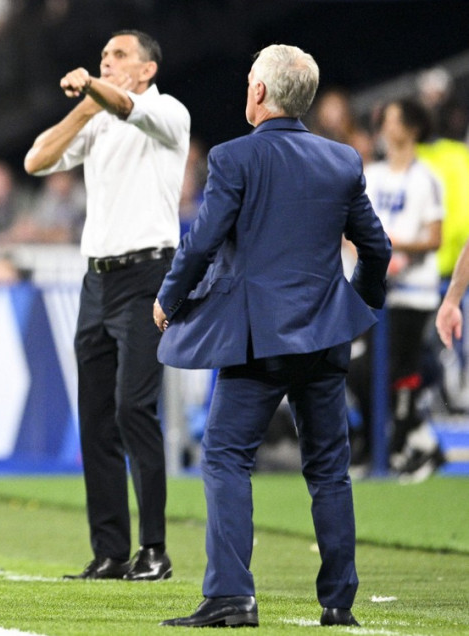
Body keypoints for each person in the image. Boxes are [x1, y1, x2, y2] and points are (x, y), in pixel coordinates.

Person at [154, 44, 390, 628]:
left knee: (227, 459)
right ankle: (339, 603)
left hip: (258, 339)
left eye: (250, 82)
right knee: (330, 470)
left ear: (260, 93)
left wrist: (167, 300)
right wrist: (355, 304)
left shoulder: (234, 158)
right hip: (325, 337)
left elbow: (202, 242)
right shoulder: (342, 160)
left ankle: (232, 593)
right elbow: (377, 248)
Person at [23, 29, 190, 581]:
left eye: (119, 56)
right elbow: (36, 160)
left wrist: (95, 87)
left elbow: (125, 105)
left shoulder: (168, 112)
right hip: (96, 280)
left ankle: (156, 549)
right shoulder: (98, 117)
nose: (107, 63)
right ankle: (111, 552)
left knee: (133, 409)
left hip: (147, 275)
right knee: (95, 416)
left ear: (146, 70)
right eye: (102, 56)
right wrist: (86, 105)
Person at [346, 98, 446, 480]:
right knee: (360, 371)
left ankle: (398, 444)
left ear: (411, 128)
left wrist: (395, 248)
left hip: (412, 291)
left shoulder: (427, 178)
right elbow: (350, 227)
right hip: (376, 291)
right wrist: (370, 252)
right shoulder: (372, 174)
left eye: (390, 120)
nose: (384, 127)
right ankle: (408, 441)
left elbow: (434, 238)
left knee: (395, 369)